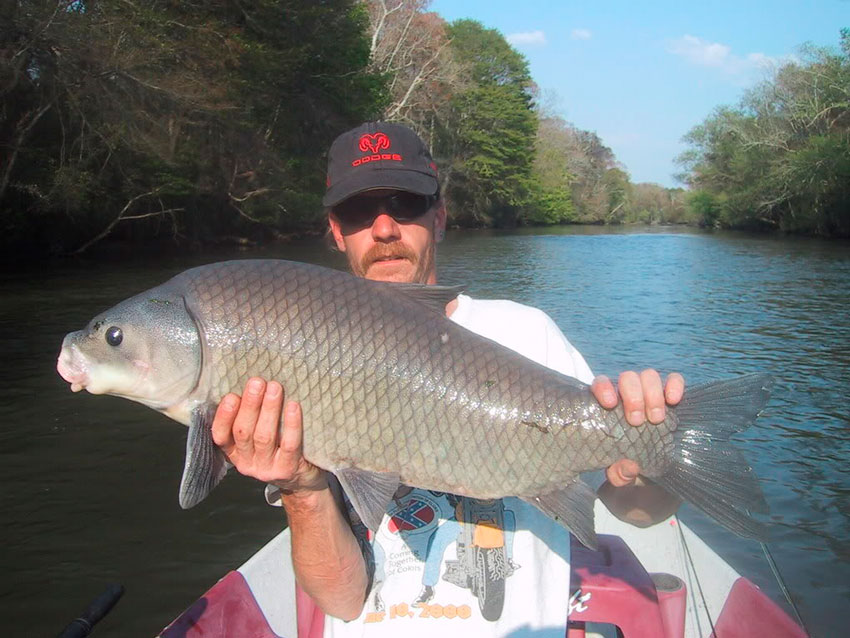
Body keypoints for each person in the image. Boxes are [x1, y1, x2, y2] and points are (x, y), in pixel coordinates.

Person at [210, 122, 684, 634]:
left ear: (438, 217)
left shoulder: (526, 332)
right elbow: (342, 602)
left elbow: (638, 511)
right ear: (335, 230)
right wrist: (301, 488)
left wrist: (650, 455)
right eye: (358, 212)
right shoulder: (299, 357)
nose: (385, 229)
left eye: (405, 203)